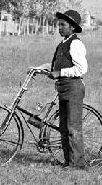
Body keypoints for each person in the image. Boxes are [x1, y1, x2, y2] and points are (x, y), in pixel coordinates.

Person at [36, 10, 88, 169]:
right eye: (59, 24)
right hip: (63, 88)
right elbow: (55, 67)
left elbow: (81, 69)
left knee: (73, 128)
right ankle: (68, 161)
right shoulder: (63, 44)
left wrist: (60, 73)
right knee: (64, 127)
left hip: (73, 88)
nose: (59, 27)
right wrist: (38, 69)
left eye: (63, 25)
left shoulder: (75, 44)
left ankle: (78, 164)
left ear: (72, 27)